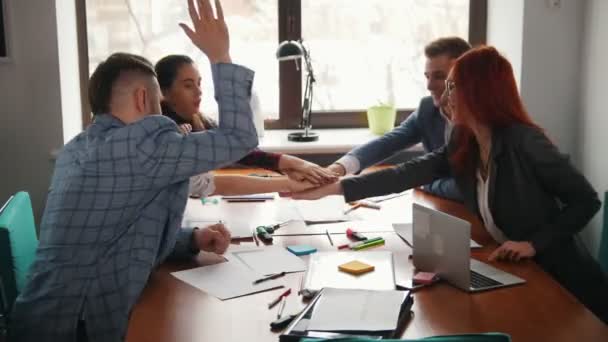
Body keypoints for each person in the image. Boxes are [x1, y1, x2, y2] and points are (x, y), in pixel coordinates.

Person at [293, 46, 608, 324]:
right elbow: (407, 173)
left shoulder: (526, 141)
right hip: (516, 268)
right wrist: (334, 189)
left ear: (479, 90)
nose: (444, 97)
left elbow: (586, 200)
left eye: (453, 86)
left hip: (563, 281)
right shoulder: (465, 139)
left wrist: (533, 243)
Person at [9, 1, 258, 340]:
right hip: (74, 330)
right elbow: (240, 137)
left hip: (37, 320)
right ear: (143, 99)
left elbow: (120, 236)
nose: (164, 118)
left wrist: (193, 239)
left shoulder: (78, 149)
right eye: (159, 105)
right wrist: (220, 55)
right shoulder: (142, 146)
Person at [154, 54, 336, 197]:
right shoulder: (167, 135)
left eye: (199, 83)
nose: (199, 91)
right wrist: (288, 182)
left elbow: (239, 149)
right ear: (164, 92)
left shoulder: (197, 122)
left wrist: (290, 163)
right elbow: (210, 184)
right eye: (188, 86)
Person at [327, 37, 471, 202]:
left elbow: (468, 189)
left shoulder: (483, 120)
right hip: (442, 207)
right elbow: (389, 142)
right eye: (427, 76)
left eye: (439, 76)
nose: (429, 86)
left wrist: (426, 183)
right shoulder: (427, 109)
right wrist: (337, 169)